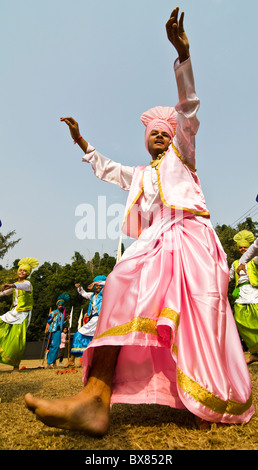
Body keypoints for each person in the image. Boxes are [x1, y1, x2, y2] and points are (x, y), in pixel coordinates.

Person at [25, 8, 254, 434]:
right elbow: (108, 169)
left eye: (168, 129)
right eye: (154, 131)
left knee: (197, 317)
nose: (162, 133)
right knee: (118, 282)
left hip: (192, 238)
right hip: (156, 240)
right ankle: (95, 399)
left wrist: (183, 59)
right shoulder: (142, 173)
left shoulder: (183, 155)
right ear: (144, 139)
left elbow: (188, 108)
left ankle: (201, 395)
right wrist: (83, 142)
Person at [0, 257, 39, 370]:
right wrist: (6, 289)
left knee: (16, 341)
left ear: (27, 274)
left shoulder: (27, 284)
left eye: (24, 271)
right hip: (13, 312)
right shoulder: (16, 284)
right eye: (20, 270)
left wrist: (12, 285)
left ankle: (15, 366)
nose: (21, 272)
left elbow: (22, 286)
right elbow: (4, 293)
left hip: (23, 314)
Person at [64, 276, 106, 368]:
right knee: (79, 335)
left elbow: (108, 284)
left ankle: (90, 361)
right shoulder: (91, 295)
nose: (98, 287)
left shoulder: (104, 294)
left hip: (101, 320)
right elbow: (83, 293)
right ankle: (72, 360)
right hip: (93, 320)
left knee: (95, 339)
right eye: (96, 285)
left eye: (100, 285)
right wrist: (79, 287)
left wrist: (96, 283)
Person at [229, 231, 258, 365]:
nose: (242, 249)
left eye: (245, 247)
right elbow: (228, 277)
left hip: (254, 292)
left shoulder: (254, 260)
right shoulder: (235, 264)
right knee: (240, 322)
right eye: (240, 247)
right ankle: (254, 353)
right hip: (240, 294)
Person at [46, 293, 70, 368]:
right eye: (59, 305)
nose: (60, 306)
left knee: (57, 347)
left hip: (59, 332)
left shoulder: (61, 313)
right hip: (53, 331)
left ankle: (54, 362)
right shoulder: (53, 312)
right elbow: (48, 321)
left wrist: (66, 320)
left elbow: (61, 323)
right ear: (57, 305)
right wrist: (53, 317)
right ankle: (49, 362)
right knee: (53, 346)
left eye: (61, 305)